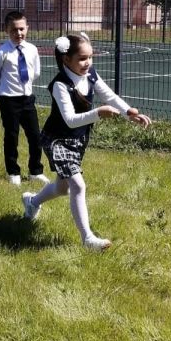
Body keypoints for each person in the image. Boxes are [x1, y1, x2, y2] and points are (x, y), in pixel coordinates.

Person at [21, 32, 151, 251]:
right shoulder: (59, 85)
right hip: (56, 140)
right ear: (66, 59)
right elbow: (70, 120)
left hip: (77, 140)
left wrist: (129, 112)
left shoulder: (90, 74)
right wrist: (97, 113)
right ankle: (88, 238)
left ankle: (32, 202)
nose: (88, 62)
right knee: (78, 185)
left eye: (90, 57)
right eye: (82, 58)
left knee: (62, 188)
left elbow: (109, 96)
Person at [0, 11, 49, 186]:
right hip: (9, 100)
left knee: (35, 136)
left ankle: (35, 171)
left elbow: (35, 72)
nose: (18, 33)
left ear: (27, 28)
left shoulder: (32, 50)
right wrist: (2, 87)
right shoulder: (2, 52)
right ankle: (13, 171)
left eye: (21, 29)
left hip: (27, 99)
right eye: (14, 30)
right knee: (12, 136)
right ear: (7, 30)